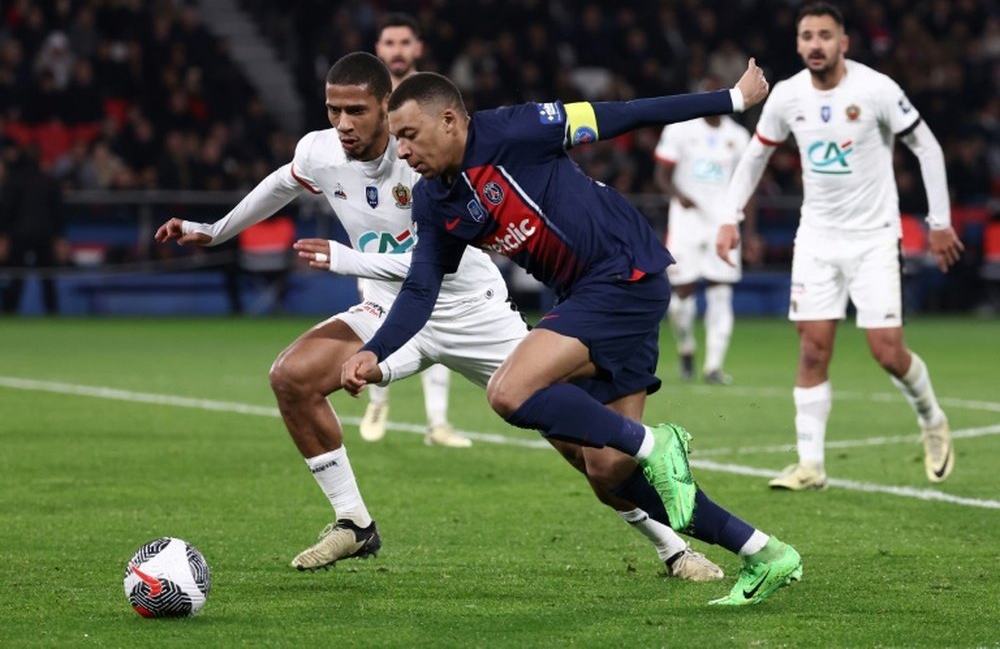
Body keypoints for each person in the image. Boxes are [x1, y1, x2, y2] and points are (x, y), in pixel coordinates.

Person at [156, 52, 721, 582]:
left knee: (586, 451)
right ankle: (355, 523)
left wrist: (348, 259)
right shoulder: (320, 153)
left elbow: (428, 270)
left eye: (357, 110)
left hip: (472, 310)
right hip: (388, 313)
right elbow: (282, 182)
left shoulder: (425, 160)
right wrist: (215, 230)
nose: (344, 123)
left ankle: (674, 548)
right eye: (334, 110)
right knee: (292, 377)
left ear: (386, 106)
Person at [341, 64, 804, 605]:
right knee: (608, 469)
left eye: (409, 135)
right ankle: (763, 552)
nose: (402, 150)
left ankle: (660, 445)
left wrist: (729, 98)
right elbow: (421, 290)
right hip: (588, 297)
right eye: (396, 138)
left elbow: (622, 116)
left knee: (510, 391)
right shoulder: (434, 201)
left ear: (449, 120)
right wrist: (374, 351)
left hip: (622, 273)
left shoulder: (515, 130)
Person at [716, 2, 964, 490]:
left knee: (888, 352)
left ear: (843, 42)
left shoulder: (876, 89)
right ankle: (811, 464)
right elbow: (754, 157)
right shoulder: (787, 96)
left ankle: (932, 419)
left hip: (873, 239)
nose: (815, 44)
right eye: (807, 35)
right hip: (816, 239)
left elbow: (927, 147)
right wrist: (729, 217)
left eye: (825, 35)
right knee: (812, 350)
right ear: (798, 43)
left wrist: (939, 222)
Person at [360, 12, 467, 447]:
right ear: (379, 49)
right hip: (376, 223)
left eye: (406, 42)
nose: (398, 50)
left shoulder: (432, 96)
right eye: (390, 43)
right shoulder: (362, 97)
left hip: (426, 213)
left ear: (417, 48)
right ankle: (377, 399)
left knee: (436, 311)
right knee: (379, 315)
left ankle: (437, 422)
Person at [653, 75, 755, 384]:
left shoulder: (738, 136)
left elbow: (748, 185)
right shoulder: (680, 129)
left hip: (723, 222)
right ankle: (686, 345)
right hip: (686, 222)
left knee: (720, 292)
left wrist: (749, 232)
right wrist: (677, 194)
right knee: (681, 293)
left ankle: (713, 366)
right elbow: (661, 174)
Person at [0, 144, 72, 315]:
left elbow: (6, 210)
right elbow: (59, 212)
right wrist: (59, 236)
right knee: (47, 278)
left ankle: (9, 314)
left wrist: (3, 235)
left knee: (16, 277)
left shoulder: (13, 181)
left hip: (19, 235)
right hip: (45, 235)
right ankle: (52, 314)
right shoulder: (50, 181)